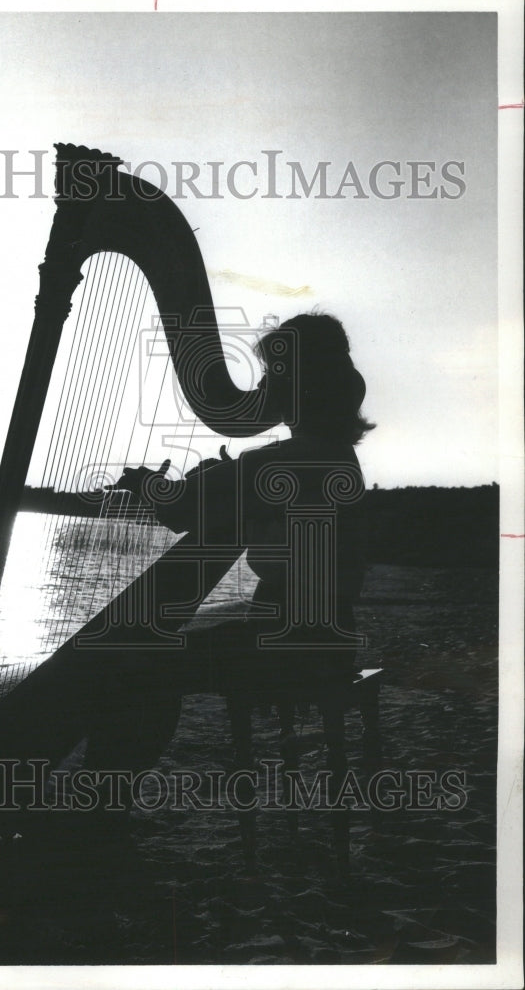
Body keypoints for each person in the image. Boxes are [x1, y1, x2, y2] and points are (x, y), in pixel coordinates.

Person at [84, 312, 375, 783]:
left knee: (133, 660)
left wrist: (146, 484)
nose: (261, 387)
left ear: (295, 385)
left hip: (283, 647)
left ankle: (100, 805)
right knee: (147, 654)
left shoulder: (285, 461)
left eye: (269, 375)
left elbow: (180, 511)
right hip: (329, 641)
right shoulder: (336, 454)